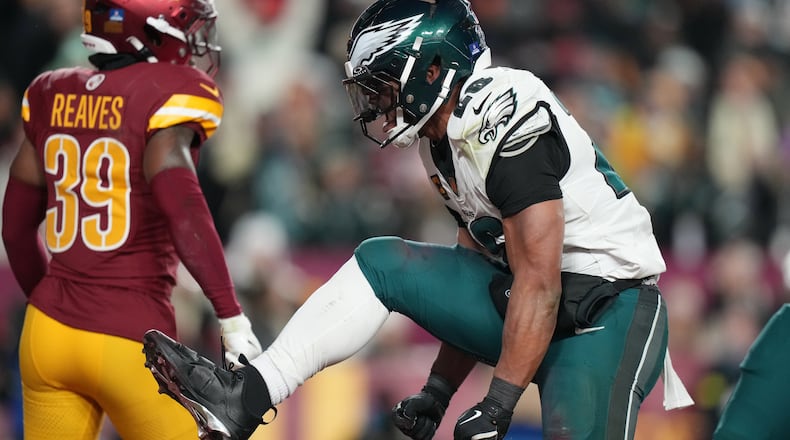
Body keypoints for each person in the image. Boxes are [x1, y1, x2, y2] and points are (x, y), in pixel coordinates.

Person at [142, 0, 694, 439]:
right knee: (383, 262)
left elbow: (541, 281)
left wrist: (498, 404)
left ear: (433, 68)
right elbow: (478, 269)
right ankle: (247, 398)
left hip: (607, 311)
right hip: (534, 300)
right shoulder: (441, 143)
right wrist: (438, 390)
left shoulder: (503, 109)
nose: (374, 103)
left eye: (382, 83)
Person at [0, 0, 262, 439]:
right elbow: (183, 205)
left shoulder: (51, 91)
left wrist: (52, 305)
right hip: (129, 336)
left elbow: (14, 227)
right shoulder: (168, 92)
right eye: (182, 27)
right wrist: (231, 316)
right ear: (146, 30)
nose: (192, 40)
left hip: (48, 333)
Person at [713, 303, 790, 439]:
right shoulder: (716, 371)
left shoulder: (774, 361)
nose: (734, 332)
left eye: (741, 325)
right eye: (730, 326)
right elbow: (706, 406)